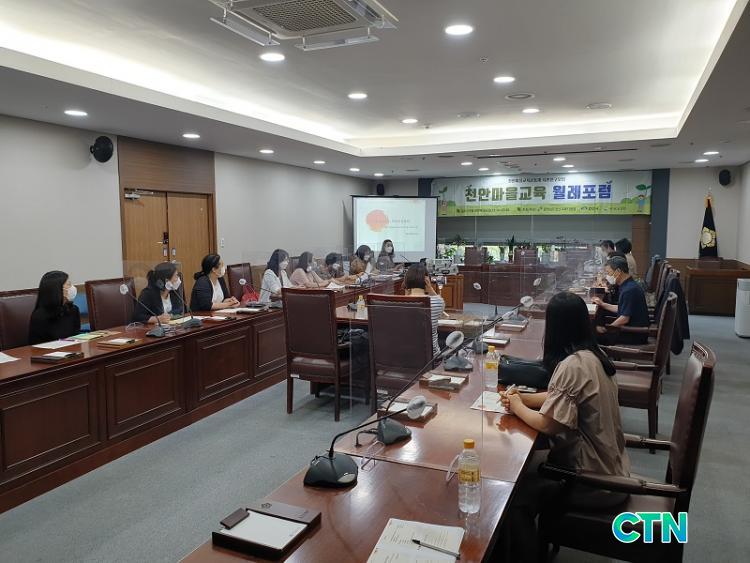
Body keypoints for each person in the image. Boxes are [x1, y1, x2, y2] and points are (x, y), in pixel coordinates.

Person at [498, 292, 630, 562]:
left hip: (592, 480)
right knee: (526, 468)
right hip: (611, 465)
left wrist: (517, 406)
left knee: (512, 499)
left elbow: (548, 425)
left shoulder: (571, 366)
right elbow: (560, 396)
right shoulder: (592, 355)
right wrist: (523, 398)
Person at [592, 255, 649, 345]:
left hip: (634, 334)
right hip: (630, 330)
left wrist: (608, 329)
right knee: (596, 327)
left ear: (618, 271)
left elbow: (624, 318)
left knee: (592, 336)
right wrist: (602, 304)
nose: (607, 276)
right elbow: (622, 308)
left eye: (609, 273)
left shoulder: (629, 290)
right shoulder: (628, 285)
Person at [29, 271, 81, 344]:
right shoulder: (40, 316)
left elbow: (76, 338)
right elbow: (37, 345)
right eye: (68, 284)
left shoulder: (73, 310)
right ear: (57, 290)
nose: (72, 288)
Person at [403, 263, 444, 355]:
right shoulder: (437, 302)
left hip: (405, 355)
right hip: (431, 357)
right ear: (427, 280)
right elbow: (440, 302)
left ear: (406, 281)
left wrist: (406, 294)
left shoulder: (398, 304)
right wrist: (430, 288)